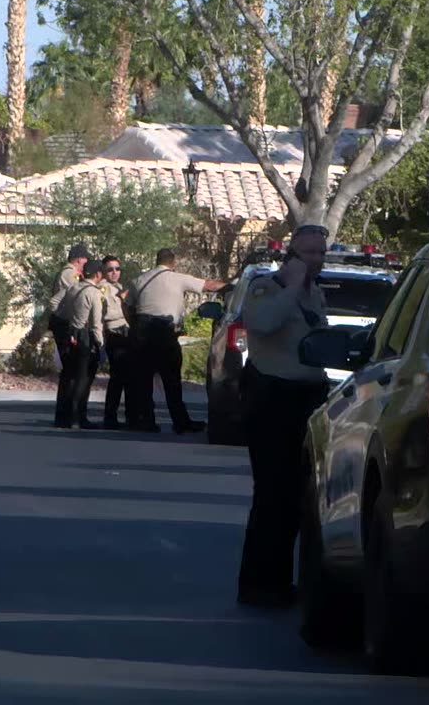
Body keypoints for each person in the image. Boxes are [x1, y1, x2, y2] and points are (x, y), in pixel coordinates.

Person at [235, 224, 331, 608]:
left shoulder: (316, 294)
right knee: (272, 494)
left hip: (306, 399)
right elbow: (263, 323)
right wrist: (292, 285)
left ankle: (280, 581)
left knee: (295, 497)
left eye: (321, 253)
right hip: (272, 399)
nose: (316, 261)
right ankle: (257, 583)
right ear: (291, 255)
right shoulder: (266, 288)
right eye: (308, 253)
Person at [124, 248, 225, 434]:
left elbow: (126, 303)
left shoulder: (139, 280)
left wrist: (134, 324)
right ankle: (180, 422)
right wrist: (236, 284)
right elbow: (210, 286)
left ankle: (145, 421)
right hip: (165, 331)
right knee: (171, 380)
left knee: (143, 379)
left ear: (157, 261)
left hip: (142, 332)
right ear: (173, 262)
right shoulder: (178, 278)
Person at [53, 259, 106, 430]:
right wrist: (101, 344)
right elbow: (96, 323)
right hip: (85, 336)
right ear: (98, 274)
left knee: (70, 375)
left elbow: (57, 304)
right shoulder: (94, 293)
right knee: (83, 378)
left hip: (71, 333)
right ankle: (78, 417)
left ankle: (65, 416)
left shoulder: (73, 288)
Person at [99, 255, 133, 430]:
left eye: (117, 269)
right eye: (110, 269)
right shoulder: (103, 288)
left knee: (127, 376)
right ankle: (110, 416)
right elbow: (107, 313)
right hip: (114, 332)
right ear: (104, 271)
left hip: (125, 332)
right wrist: (122, 300)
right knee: (118, 377)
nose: (114, 272)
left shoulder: (118, 287)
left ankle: (129, 414)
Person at [47, 243, 92, 375]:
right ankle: (67, 395)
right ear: (79, 259)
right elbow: (78, 293)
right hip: (63, 321)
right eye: (85, 259)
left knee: (71, 366)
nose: (86, 262)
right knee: (70, 365)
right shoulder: (70, 274)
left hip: (65, 320)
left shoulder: (72, 273)